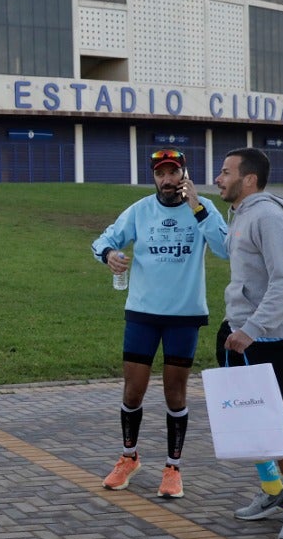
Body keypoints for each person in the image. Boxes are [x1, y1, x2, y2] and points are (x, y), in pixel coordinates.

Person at [91, 148, 228, 499]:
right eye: (160, 174)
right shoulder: (140, 211)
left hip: (184, 316)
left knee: (174, 392)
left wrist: (198, 209)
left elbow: (226, 249)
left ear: (184, 173)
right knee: (133, 390)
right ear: (153, 177)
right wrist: (110, 255)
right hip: (143, 313)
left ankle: (172, 467)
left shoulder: (202, 209)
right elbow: (103, 240)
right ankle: (128, 457)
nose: (167, 180)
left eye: (173, 172)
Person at [214, 147, 283, 539]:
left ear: (250, 179)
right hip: (240, 334)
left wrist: (253, 328)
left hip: (270, 338)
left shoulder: (269, 217)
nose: (219, 179)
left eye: (226, 172)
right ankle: (273, 493)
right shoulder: (243, 214)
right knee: (248, 419)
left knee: (274, 425)